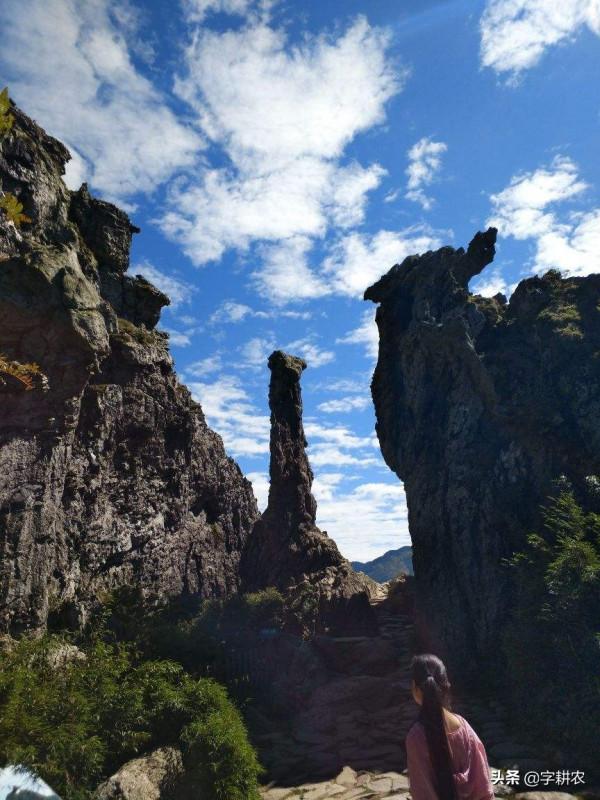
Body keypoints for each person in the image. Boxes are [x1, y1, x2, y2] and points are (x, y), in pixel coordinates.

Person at [405, 653, 494, 800]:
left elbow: (423, 793)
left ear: (416, 688)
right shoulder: (464, 727)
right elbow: (484, 784)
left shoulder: (416, 737)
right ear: (446, 686)